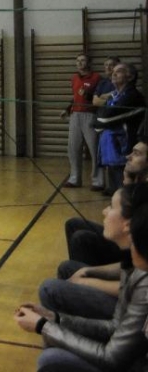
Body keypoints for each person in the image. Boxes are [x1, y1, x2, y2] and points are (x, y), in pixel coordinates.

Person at [15, 183, 148, 372]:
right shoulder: (136, 266)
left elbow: (111, 358)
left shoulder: (144, 281)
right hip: (129, 355)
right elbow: (114, 327)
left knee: (52, 359)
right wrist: (54, 318)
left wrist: (43, 326)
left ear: (129, 227)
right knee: (54, 351)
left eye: (111, 207)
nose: (104, 211)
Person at [40, 139, 148, 322]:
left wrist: (89, 282)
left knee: (80, 241)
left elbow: (135, 285)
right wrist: (89, 272)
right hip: (130, 271)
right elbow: (129, 270)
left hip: (130, 308)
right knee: (68, 261)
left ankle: (74, 315)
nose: (128, 156)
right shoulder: (138, 183)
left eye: (137, 154)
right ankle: (71, 312)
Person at [96, 62, 146, 195]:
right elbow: (100, 117)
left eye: (119, 71)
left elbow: (104, 118)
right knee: (113, 185)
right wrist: (100, 118)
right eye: (113, 71)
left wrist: (100, 118)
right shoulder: (115, 95)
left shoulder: (132, 96)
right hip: (111, 146)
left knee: (123, 190)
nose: (114, 73)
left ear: (130, 77)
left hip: (123, 147)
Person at [59, 54, 102, 189]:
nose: (79, 63)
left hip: (90, 115)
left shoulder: (97, 78)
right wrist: (67, 109)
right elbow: (75, 97)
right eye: (77, 61)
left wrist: (87, 95)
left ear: (89, 62)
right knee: (73, 148)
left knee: (94, 148)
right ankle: (74, 179)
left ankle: (97, 181)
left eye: (83, 60)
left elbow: (100, 98)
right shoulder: (74, 78)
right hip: (75, 115)